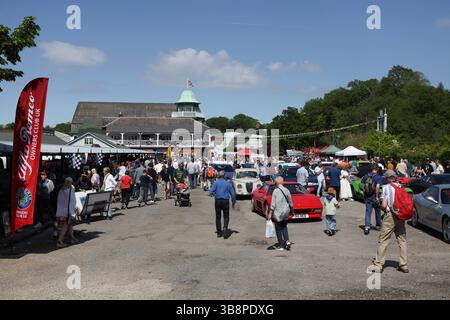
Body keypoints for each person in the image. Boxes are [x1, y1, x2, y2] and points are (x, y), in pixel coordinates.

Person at [368, 170, 409, 273]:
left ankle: (378, 264)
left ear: (386, 178)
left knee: (384, 240)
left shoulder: (387, 187)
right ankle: (403, 264)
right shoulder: (401, 187)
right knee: (402, 240)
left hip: (390, 216)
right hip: (401, 216)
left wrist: (383, 210)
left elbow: (384, 205)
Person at [267, 176, 293, 251]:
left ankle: (281, 245)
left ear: (276, 182)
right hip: (286, 212)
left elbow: (273, 204)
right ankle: (287, 241)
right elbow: (290, 202)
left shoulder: (275, 191)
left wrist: (270, 213)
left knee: (278, 229)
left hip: (278, 213)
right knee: (284, 227)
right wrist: (292, 210)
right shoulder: (287, 190)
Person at [209, 170, 236, 238]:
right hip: (225, 201)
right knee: (226, 216)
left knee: (218, 217)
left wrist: (215, 194)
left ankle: (219, 233)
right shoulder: (228, 183)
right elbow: (233, 194)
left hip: (218, 201)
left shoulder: (216, 183)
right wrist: (233, 203)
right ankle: (225, 227)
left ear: (218, 176)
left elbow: (210, 192)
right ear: (224, 176)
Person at [55, 177, 78, 248]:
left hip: (64, 210)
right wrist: (74, 209)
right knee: (65, 226)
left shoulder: (64, 189)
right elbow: (71, 201)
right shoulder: (67, 190)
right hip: (66, 211)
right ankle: (60, 241)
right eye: (70, 182)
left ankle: (72, 238)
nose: (71, 184)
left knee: (70, 225)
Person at [361, 164, 383, 235]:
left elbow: (363, 186)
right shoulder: (378, 177)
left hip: (367, 196)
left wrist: (364, 194)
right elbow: (377, 187)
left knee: (368, 212)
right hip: (374, 196)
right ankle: (378, 225)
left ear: (371, 168)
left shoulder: (366, 176)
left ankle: (367, 227)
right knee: (378, 211)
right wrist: (377, 196)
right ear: (377, 169)